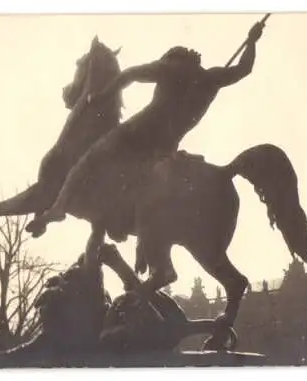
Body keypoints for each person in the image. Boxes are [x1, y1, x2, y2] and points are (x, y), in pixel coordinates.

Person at [26, 21, 265, 238]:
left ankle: (59, 207)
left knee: (89, 159)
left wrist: (103, 95)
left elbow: (130, 74)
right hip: (165, 149)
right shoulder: (211, 78)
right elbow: (244, 68)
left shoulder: (170, 67)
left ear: (174, 56)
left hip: (136, 133)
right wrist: (252, 42)